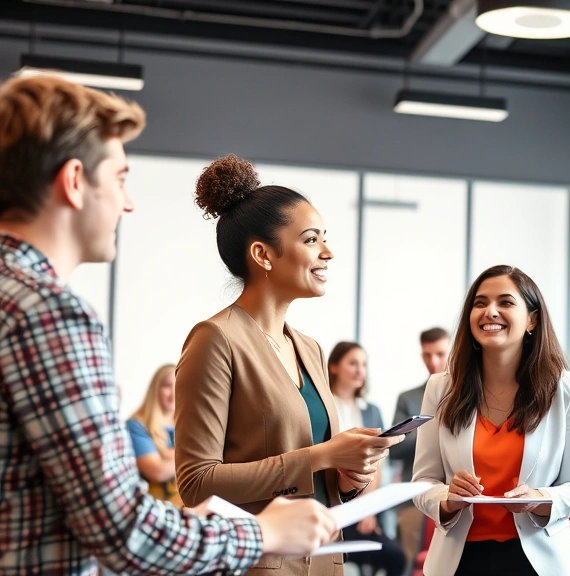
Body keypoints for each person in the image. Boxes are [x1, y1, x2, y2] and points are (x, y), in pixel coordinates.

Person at [0, 75, 337, 575]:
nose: (128, 202)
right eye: (119, 179)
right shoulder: (50, 313)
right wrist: (262, 532)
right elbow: (124, 529)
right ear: (74, 182)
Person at [174, 154, 404, 575]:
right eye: (312, 239)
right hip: (258, 565)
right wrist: (320, 455)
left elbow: (317, 481)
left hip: (323, 562)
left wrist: (346, 477)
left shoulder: (311, 349)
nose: (328, 252)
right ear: (263, 254)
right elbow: (195, 483)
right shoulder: (216, 340)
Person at [412, 265, 570, 576]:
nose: (490, 312)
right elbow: (422, 484)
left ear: (532, 319)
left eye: (505, 302)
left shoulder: (566, 389)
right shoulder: (441, 387)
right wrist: (447, 499)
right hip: (460, 561)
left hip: (540, 561)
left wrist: (540, 498)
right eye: (480, 303)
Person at [328, 341, 407, 576]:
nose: (359, 370)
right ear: (333, 367)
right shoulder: (324, 405)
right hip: (328, 503)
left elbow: (378, 462)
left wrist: (368, 510)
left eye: (363, 364)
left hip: (360, 506)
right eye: (352, 363)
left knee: (396, 557)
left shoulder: (371, 410)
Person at [391, 327, 450, 572]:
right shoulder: (408, 398)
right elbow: (395, 448)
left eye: (439, 353)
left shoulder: (468, 394)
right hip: (414, 498)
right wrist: (432, 430)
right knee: (410, 565)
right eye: (427, 355)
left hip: (456, 498)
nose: (433, 362)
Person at [127, 363, 183, 506]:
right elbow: (157, 471)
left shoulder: (188, 427)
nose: (174, 392)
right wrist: (195, 457)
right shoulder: (136, 426)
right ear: (155, 389)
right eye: (167, 386)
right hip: (154, 509)